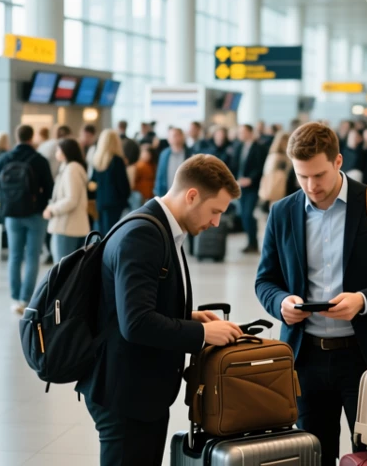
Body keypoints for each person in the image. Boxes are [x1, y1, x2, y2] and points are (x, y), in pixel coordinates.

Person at [255, 122, 367, 466]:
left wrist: (363, 301)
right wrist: (281, 303)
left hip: (365, 359)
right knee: (312, 454)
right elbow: (265, 281)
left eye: (318, 175)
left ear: (338, 162)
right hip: (305, 359)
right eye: (302, 176)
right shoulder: (283, 212)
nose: (311, 186)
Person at [77, 154, 244, 465]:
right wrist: (203, 332)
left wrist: (187, 316)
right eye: (214, 211)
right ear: (192, 195)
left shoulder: (160, 229)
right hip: (125, 394)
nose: (217, 222)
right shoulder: (144, 234)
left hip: (139, 390)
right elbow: (136, 322)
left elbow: (137, 304)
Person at [0, 124, 54, 314]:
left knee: (15, 256)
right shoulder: (39, 159)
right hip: (35, 213)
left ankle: (14, 297)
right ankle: (25, 299)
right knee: (32, 257)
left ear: (16, 137)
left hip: (12, 213)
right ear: (32, 137)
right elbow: (50, 187)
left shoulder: (5, 158)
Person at [43, 139, 90, 260]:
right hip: (68, 226)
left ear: (66, 152)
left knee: (62, 269)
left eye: (59, 149)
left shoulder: (71, 169)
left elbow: (71, 199)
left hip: (67, 226)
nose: (56, 152)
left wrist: (52, 210)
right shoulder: (68, 168)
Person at [232, 125, 268, 254]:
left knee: (248, 214)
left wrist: (251, 179)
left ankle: (253, 242)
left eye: (243, 132)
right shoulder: (239, 147)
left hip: (253, 187)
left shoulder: (259, 148)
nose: (240, 134)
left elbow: (260, 166)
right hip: (240, 185)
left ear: (250, 132)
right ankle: (250, 242)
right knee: (243, 214)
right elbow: (235, 165)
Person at [90, 129, 131, 233]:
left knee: (103, 232)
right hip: (115, 203)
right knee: (113, 233)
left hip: (100, 202)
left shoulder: (97, 160)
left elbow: (93, 181)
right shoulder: (117, 161)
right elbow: (123, 185)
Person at [154, 128, 193, 198]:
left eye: (178, 135)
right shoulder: (164, 154)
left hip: (185, 194)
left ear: (182, 137)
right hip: (166, 193)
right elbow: (160, 174)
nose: (176, 138)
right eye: (173, 136)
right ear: (168, 139)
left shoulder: (190, 153)